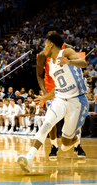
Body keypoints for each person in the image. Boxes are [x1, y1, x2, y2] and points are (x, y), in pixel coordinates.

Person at [17, 34, 88, 173]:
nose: (43, 50)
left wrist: (68, 62)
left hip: (77, 100)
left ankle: (74, 138)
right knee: (46, 125)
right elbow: (58, 87)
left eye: (44, 46)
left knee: (65, 144)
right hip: (60, 98)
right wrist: (45, 97)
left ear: (50, 44)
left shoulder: (65, 52)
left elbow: (83, 63)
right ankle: (29, 158)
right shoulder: (50, 64)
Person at [35, 26, 86, 159]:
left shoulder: (67, 49)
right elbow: (39, 75)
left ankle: (77, 144)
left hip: (69, 90)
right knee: (50, 122)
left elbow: (79, 64)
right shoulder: (42, 55)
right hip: (52, 89)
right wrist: (45, 94)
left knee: (73, 117)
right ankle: (53, 146)